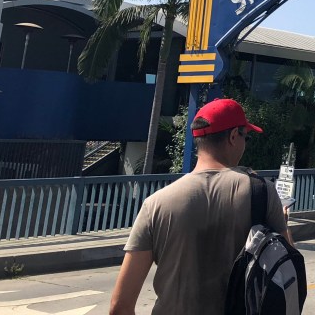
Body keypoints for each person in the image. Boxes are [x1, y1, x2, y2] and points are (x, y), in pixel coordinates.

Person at [109, 98, 291, 315]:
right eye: (246, 136)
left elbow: (119, 307)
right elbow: (289, 275)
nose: (245, 143)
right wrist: (283, 224)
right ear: (234, 136)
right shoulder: (261, 192)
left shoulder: (155, 204)